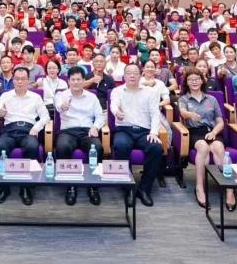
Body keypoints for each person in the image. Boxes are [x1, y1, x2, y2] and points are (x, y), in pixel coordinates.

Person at [178, 69, 236, 211]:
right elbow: (182, 112)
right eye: (191, 79)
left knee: (218, 148)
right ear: (186, 82)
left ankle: (229, 189)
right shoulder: (183, 99)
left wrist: (214, 132)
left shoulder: (212, 99)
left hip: (212, 130)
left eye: (197, 79)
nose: (194, 82)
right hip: (195, 132)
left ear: (202, 81)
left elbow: (220, 122)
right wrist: (190, 114)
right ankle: (200, 187)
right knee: (203, 147)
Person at [0, 66, 50, 206]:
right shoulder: (5, 95)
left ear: (28, 80)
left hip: (28, 129)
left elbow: (45, 116)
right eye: (17, 79)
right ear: (13, 80)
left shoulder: (35, 97)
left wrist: (36, 127)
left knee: (32, 146)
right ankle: (3, 187)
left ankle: (26, 187)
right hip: (10, 130)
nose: (19, 82)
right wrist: (0, 112)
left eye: (23, 79)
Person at [110, 63, 163, 207]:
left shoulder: (150, 92)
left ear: (141, 75)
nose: (132, 75)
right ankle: (128, 188)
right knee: (120, 145)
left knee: (156, 148)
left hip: (144, 131)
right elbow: (113, 105)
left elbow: (155, 114)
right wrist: (116, 112)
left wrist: (154, 132)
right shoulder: (117, 91)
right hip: (124, 129)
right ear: (124, 76)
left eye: (135, 73)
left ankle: (144, 189)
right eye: (129, 73)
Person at [54, 66, 105, 206]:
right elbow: (59, 106)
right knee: (62, 147)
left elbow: (100, 116)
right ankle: (70, 186)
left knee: (97, 147)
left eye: (78, 79)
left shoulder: (92, 97)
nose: (76, 82)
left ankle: (93, 186)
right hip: (68, 130)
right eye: (73, 79)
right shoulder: (61, 95)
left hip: (87, 130)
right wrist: (63, 107)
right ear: (68, 81)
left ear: (83, 80)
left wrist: (95, 127)